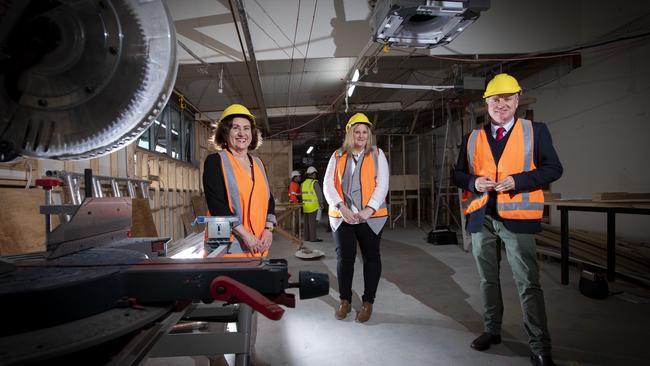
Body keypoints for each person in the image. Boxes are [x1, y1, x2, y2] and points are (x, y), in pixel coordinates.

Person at [453, 73, 563, 366]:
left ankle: (540, 344)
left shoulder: (535, 131)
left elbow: (553, 169)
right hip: (481, 217)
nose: (500, 104)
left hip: (518, 218)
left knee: (527, 281)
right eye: (495, 99)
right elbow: (458, 174)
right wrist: (474, 182)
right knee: (487, 279)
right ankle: (492, 330)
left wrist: (518, 181)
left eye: (507, 99)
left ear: (517, 100)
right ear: (486, 103)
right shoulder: (472, 137)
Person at [324, 113, 389, 323]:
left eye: (364, 132)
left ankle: (368, 301)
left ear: (368, 135)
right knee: (345, 259)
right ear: (349, 134)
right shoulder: (337, 156)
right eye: (357, 132)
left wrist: (368, 210)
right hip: (344, 217)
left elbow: (382, 184)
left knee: (371, 258)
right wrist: (341, 207)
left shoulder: (378, 154)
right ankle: (345, 300)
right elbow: (328, 185)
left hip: (370, 217)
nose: (361, 136)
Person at [203, 103, 276, 257]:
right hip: (226, 251)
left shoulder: (259, 163)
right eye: (235, 128)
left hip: (257, 247)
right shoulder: (215, 161)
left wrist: (268, 229)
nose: (242, 133)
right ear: (225, 132)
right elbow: (217, 205)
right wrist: (245, 235)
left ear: (252, 133)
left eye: (246, 128)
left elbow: (269, 199)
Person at [301, 166, 324, 242]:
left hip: (305, 206)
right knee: (312, 223)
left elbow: (302, 195)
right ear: (313, 174)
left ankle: (306, 238)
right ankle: (313, 238)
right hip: (313, 207)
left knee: (306, 223)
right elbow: (319, 194)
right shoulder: (314, 183)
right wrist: (321, 203)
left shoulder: (303, 183)